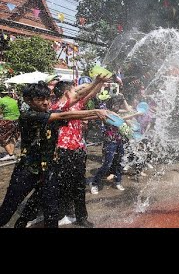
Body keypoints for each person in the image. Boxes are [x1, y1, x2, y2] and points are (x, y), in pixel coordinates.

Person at [0, 82, 109, 228]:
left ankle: (22, 222)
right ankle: (19, 222)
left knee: (51, 212)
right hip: (27, 171)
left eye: (47, 98)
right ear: (28, 100)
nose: (45, 102)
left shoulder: (50, 113)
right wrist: (94, 111)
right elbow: (65, 114)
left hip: (48, 170)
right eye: (40, 99)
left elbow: (71, 117)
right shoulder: (28, 116)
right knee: (7, 211)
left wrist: (103, 115)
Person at [0, 85, 20, 161]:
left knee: (2, 137)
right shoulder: (12, 100)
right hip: (17, 120)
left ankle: (10, 154)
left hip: (8, 120)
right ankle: (10, 154)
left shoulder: (1, 100)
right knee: (12, 137)